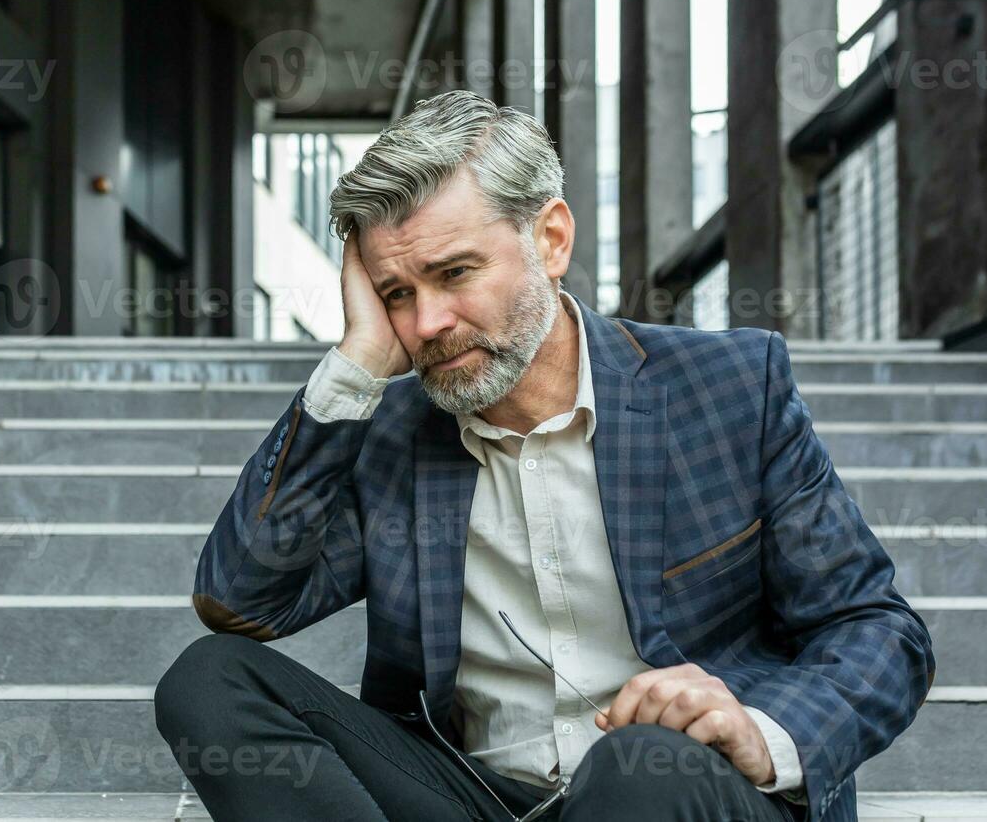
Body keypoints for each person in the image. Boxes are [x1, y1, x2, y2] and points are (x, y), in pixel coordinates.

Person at [155, 90, 934, 822]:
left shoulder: (729, 387)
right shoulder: (390, 432)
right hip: (471, 792)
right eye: (396, 293)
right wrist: (357, 363)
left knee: (636, 767)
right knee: (209, 681)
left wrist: (760, 731)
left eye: (455, 273)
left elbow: (875, 629)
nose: (426, 322)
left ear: (550, 239)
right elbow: (242, 601)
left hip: (676, 788)